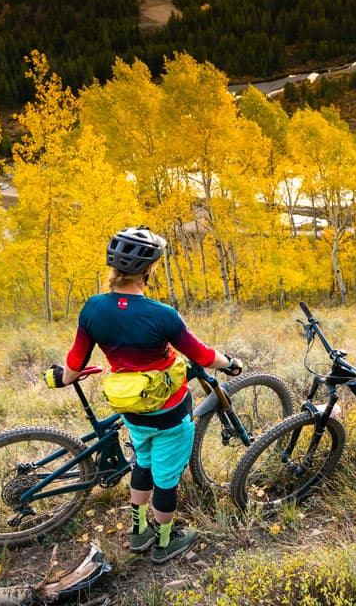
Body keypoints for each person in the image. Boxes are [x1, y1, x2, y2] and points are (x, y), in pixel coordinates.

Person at [45, 226, 242, 564]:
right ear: (149, 269)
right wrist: (231, 363)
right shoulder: (162, 314)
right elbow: (204, 356)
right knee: (166, 480)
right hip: (169, 412)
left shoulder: (93, 308)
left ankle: (139, 534)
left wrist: (61, 378)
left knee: (143, 463)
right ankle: (164, 544)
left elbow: (75, 364)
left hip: (131, 409)